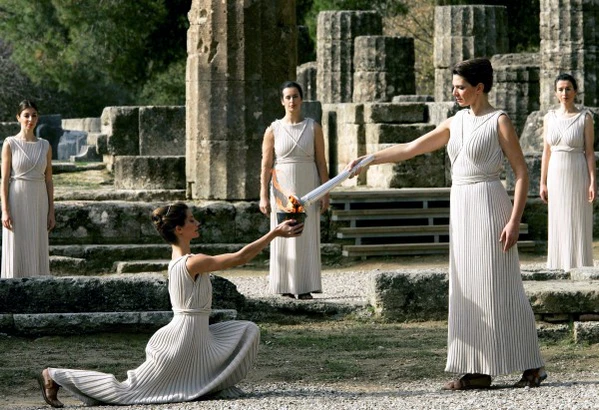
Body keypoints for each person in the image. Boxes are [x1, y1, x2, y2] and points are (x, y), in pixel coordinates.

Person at [348, 58, 546, 390]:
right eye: (454, 86)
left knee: (501, 286)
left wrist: (514, 220)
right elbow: (411, 148)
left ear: (479, 88)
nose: (454, 92)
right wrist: (370, 159)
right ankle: (478, 369)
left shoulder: (499, 121)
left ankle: (533, 364)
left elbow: (522, 173)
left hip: (489, 205)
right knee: (467, 287)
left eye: (460, 87)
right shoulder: (454, 122)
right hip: (462, 206)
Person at [36, 202, 304, 407]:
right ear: (179, 229)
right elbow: (239, 258)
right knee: (126, 391)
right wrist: (274, 233)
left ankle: (208, 385)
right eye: (191, 220)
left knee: (247, 330)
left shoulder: (182, 259)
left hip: (198, 337)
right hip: (181, 340)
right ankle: (54, 374)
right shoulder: (192, 262)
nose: (197, 223)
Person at [259, 81, 329, 300]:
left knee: (306, 232)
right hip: (282, 186)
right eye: (288, 97)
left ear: (301, 99)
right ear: (282, 101)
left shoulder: (313, 127)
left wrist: (325, 192)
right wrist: (263, 195)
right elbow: (266, 165)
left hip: (309, 184)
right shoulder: (273, 130)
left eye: (295, 96)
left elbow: (321, 162)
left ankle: (306, 286)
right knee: (284, 231)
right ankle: (285, 285)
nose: (292, 101)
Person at [540, 73, 595, 270]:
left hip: (577, 171)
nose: (565, 93)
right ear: (555, 93)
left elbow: (589, 153)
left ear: (575, 91)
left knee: (577, 217)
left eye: (568, 89)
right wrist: (543, 182)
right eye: (561, 89)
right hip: (555, 173)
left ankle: (579, 264)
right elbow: (546, 152)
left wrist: (593, 182)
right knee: (558, 217)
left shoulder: (585, 117)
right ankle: (557, 264)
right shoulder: (549, 118)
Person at [1, 100, 55, 278]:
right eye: (26, 115)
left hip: (39, 200)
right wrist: (5, 210)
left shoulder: (45, 146)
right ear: (18, 117)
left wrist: (51, 211)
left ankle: (39, 285)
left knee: (36, 241)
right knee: (17, 243)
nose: (30, 119)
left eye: (34, 115)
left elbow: (49, 180)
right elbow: (4, 180)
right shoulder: (10, 144)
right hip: (17, 200)